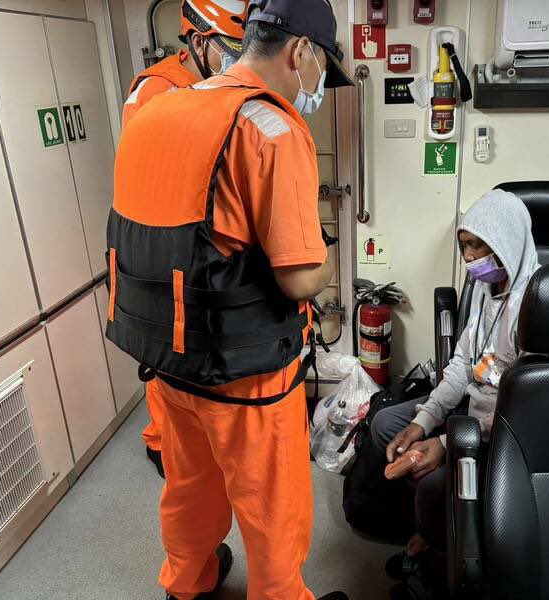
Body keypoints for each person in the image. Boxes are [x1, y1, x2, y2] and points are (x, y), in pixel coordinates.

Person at [107, 0, 354, 598]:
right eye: (322, 68)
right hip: (245, 375)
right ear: (301, 51)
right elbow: (297, 278)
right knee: (274, 506)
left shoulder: (156, 111)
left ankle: (185, 582)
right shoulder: (268, 126)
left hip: (168, 359)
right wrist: (329, 263)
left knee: (190, 486)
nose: (318, 84)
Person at [370, 189, 539, 589]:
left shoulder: (535, 306)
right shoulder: (485, 291)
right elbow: (463, 363)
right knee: (386, 425)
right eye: (464, 247)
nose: (468, 258)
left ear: (505, 241)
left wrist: (445, 442)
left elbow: (521, 408)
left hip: (504, 432)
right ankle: (438, 517)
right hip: (472, 407)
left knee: (431, 486)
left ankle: (439, 532)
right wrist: (424, 420)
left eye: (477, 246)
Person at [121, 0, 251, 479]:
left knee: (195, 344)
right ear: (198, 42)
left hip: (197, 243)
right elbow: (153, 182)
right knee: (170, 350)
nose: (239, 61)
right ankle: (163, 443)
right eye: (231, 50)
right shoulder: (158, 91)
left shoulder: (214, 87)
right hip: (165, 247)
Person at [122, 0, 249, 129]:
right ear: (198, 43)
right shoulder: (154, 91)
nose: (240, 62)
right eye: (232, 53)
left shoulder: (225, 82)